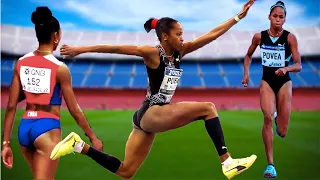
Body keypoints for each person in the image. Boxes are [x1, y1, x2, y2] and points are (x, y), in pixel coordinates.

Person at [51, 0, 257, 179]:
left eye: (183, 34)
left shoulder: (180, 51)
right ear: (165, 37)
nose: (183, 38)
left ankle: (78, 146)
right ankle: (227, 162)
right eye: (179, 34)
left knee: (126, 171)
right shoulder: (152, 53)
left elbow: (212, 35)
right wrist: (80, 50)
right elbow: (114, 48)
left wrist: (238, 17)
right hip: (152, 112)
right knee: (209, 108)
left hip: (146, 118)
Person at [1, 6, 103, 180]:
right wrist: (92, 136)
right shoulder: (60, 69)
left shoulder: (21, 63)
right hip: (47, 128)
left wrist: (5, 144)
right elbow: (74, 110)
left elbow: (11, 106)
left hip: (24, 127)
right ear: (55, 36)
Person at [241, 1, 302, 178]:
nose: (277, 19)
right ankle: (270, 165)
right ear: (269, 17)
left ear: (284, 19)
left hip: (284, 82)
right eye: (274, 16)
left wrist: (286, 69)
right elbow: (248, 55)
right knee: (267, 117)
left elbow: (298, 65)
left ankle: (278, 119)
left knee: (282, 132)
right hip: (267, 81)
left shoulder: (290, 38)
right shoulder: (259, 37)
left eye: (281, 17)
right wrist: (246, 73)